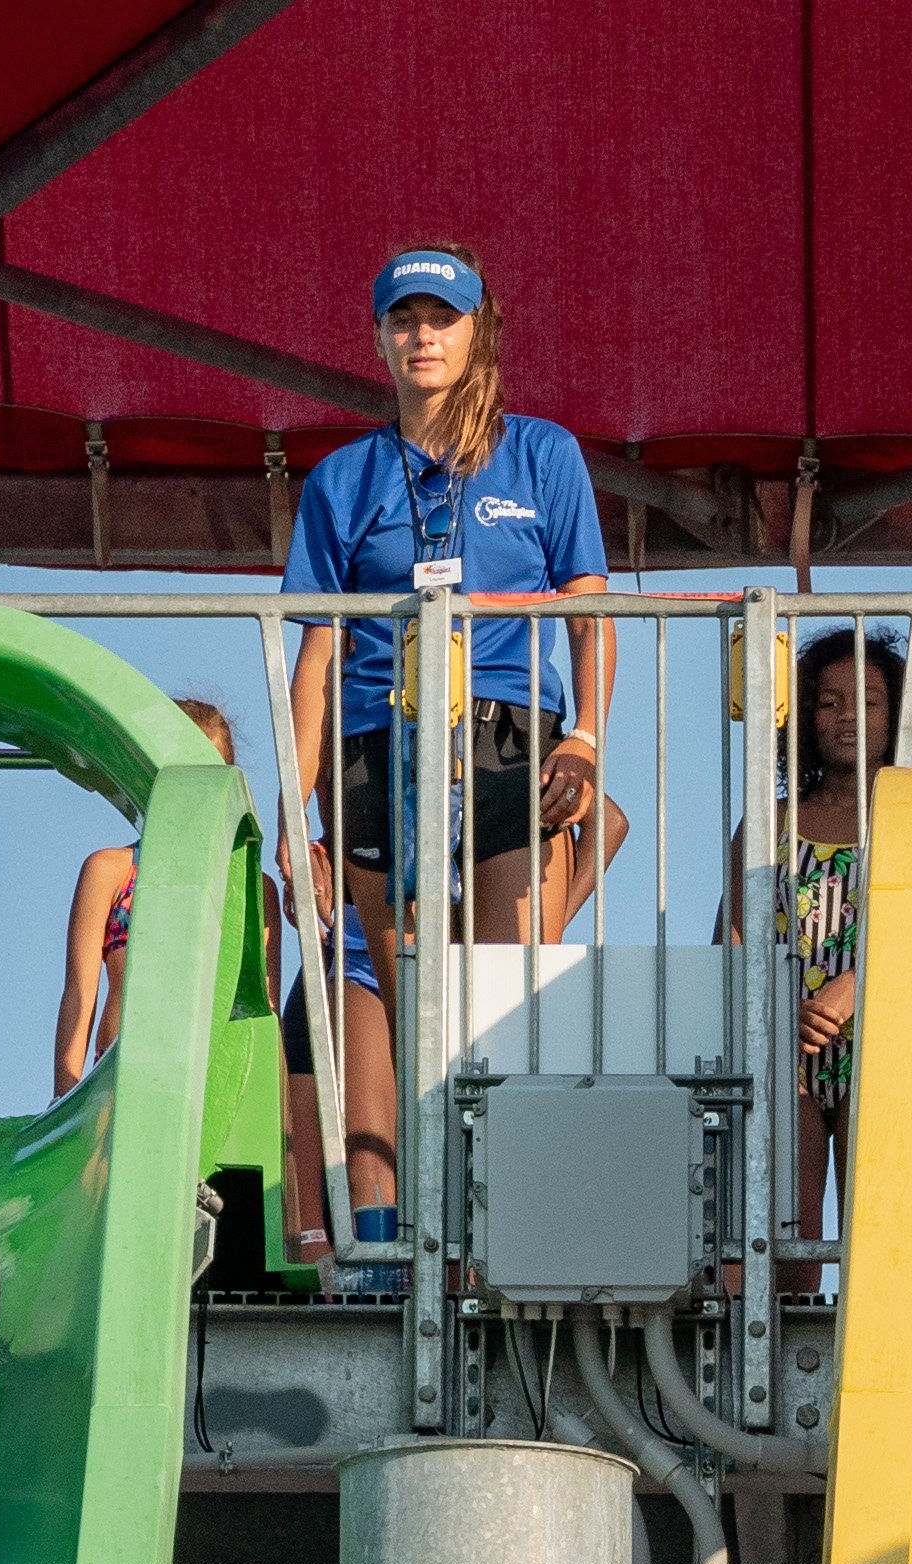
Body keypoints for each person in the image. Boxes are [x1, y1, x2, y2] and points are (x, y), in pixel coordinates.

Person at [282, 246, 618, 1240]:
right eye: (403, 319)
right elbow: (315, 656)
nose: (421, 335)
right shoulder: (342, 479)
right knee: (402, 999)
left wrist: (587, 737)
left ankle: (502, 1231)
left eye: (441, 317)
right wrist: (294, 811)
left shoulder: (543, 454)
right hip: (376, 740)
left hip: (510, 732)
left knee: (505, 994)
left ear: (481, 332)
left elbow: (590, 613)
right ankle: (405, 1239)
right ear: (378, 338)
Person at [54, 698, 326, 1251]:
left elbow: (265, 1012)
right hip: (125, 1075)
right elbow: (80, 995)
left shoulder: (253, 888)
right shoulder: (112, 870)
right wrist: (64, 1102)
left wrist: (286, 1149)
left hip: (219, 1081)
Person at [716, 627, 898, 1247]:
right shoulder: (772, 822)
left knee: (873, 1235)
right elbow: (731, 944)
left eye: (868, 701)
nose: (848, 716)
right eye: (828, 701)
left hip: (882, 1043)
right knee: (788, 1235)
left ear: (897, 714)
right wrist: (777, 1005)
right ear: (802, 717)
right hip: (784, 1051)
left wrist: (856, 986)